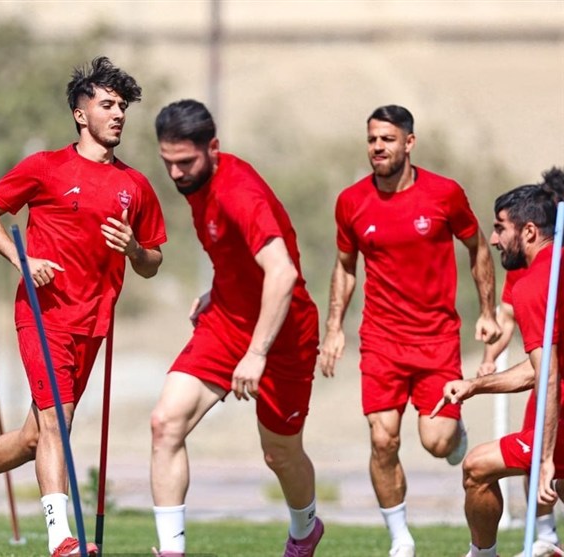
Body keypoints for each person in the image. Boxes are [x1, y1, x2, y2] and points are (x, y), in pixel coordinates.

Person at [0, 56, 167, 557]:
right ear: (80, 114)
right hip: (43, 315)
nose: (118, 114)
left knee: (36, 436)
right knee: (57, 424)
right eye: (107, 105)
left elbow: (153, 263)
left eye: (122, 106)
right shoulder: (45, 167)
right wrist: (22, 259)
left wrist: (134, 250)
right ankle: (62, 540)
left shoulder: (135, 186)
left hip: (93, 322)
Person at [318, 104, 500, 557]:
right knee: (383, 439)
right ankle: (400, 537)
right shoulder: (351, 201)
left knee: (436, 442)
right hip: (381, 340)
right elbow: (345, 267)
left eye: (387, 139)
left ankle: (454, 433)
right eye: (372, 139)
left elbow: (478, 246)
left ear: (409, 143)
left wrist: (487, 311)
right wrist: (334, 327)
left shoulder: (444, 194)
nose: (378, 147)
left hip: (437, 338)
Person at [150, 99, 323, 557]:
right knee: (165, 423)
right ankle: (171, 551)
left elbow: (282, 273)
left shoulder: (238, 193)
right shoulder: (198, 184)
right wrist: (220, 288)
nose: (175, 174)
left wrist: (257, 352)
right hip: (226, 322)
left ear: (213, 149)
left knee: (279, 453)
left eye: (185, 162)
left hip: (284, 334)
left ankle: (305, 531)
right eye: (167, 162)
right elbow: (237, 253)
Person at [432, 180, 563, 557]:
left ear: (529, 231)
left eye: (500, 227)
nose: (493, 239)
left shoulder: (534, 284)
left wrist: (545, 458)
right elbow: (537, 369)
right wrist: (474, 385)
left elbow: (547, 374)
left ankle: (483, 555)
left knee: (476, 466)